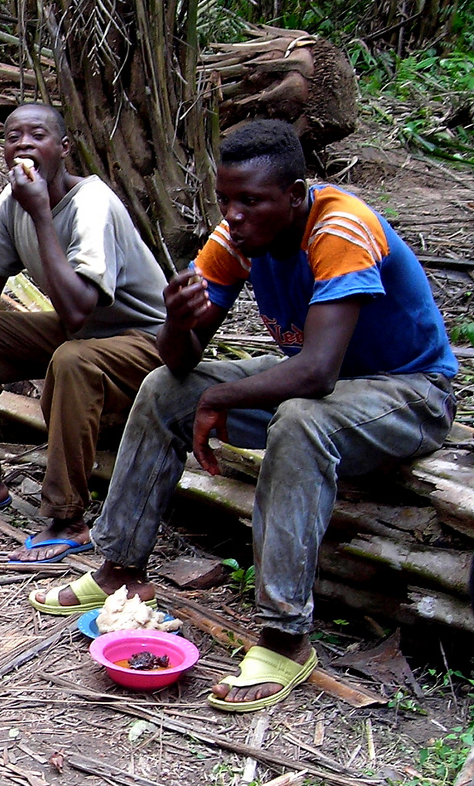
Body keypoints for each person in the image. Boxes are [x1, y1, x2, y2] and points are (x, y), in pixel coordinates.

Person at [31, 120, 455, 712]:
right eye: (225, 199)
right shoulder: (237, 237)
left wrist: (220, 400)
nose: (234, 214)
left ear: (295, 193)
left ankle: (285, 635)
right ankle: (120, 569)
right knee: (161, 390)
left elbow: (317, 373)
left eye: (251, 200)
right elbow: (179, 362)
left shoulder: (339, 226)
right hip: (327, 391)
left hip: (410, 393)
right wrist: (177, 321)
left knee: (301, 420)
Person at [0, 103, 167, 561]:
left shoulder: (91, 204)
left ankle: (68, 518)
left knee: (72, 358)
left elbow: (78, 312)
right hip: (80, 332)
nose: (23, 145)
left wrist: (41, 212)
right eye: (12, 137)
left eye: (37, 135)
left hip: (147, 340)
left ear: (63, 149)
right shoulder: (14, 201)